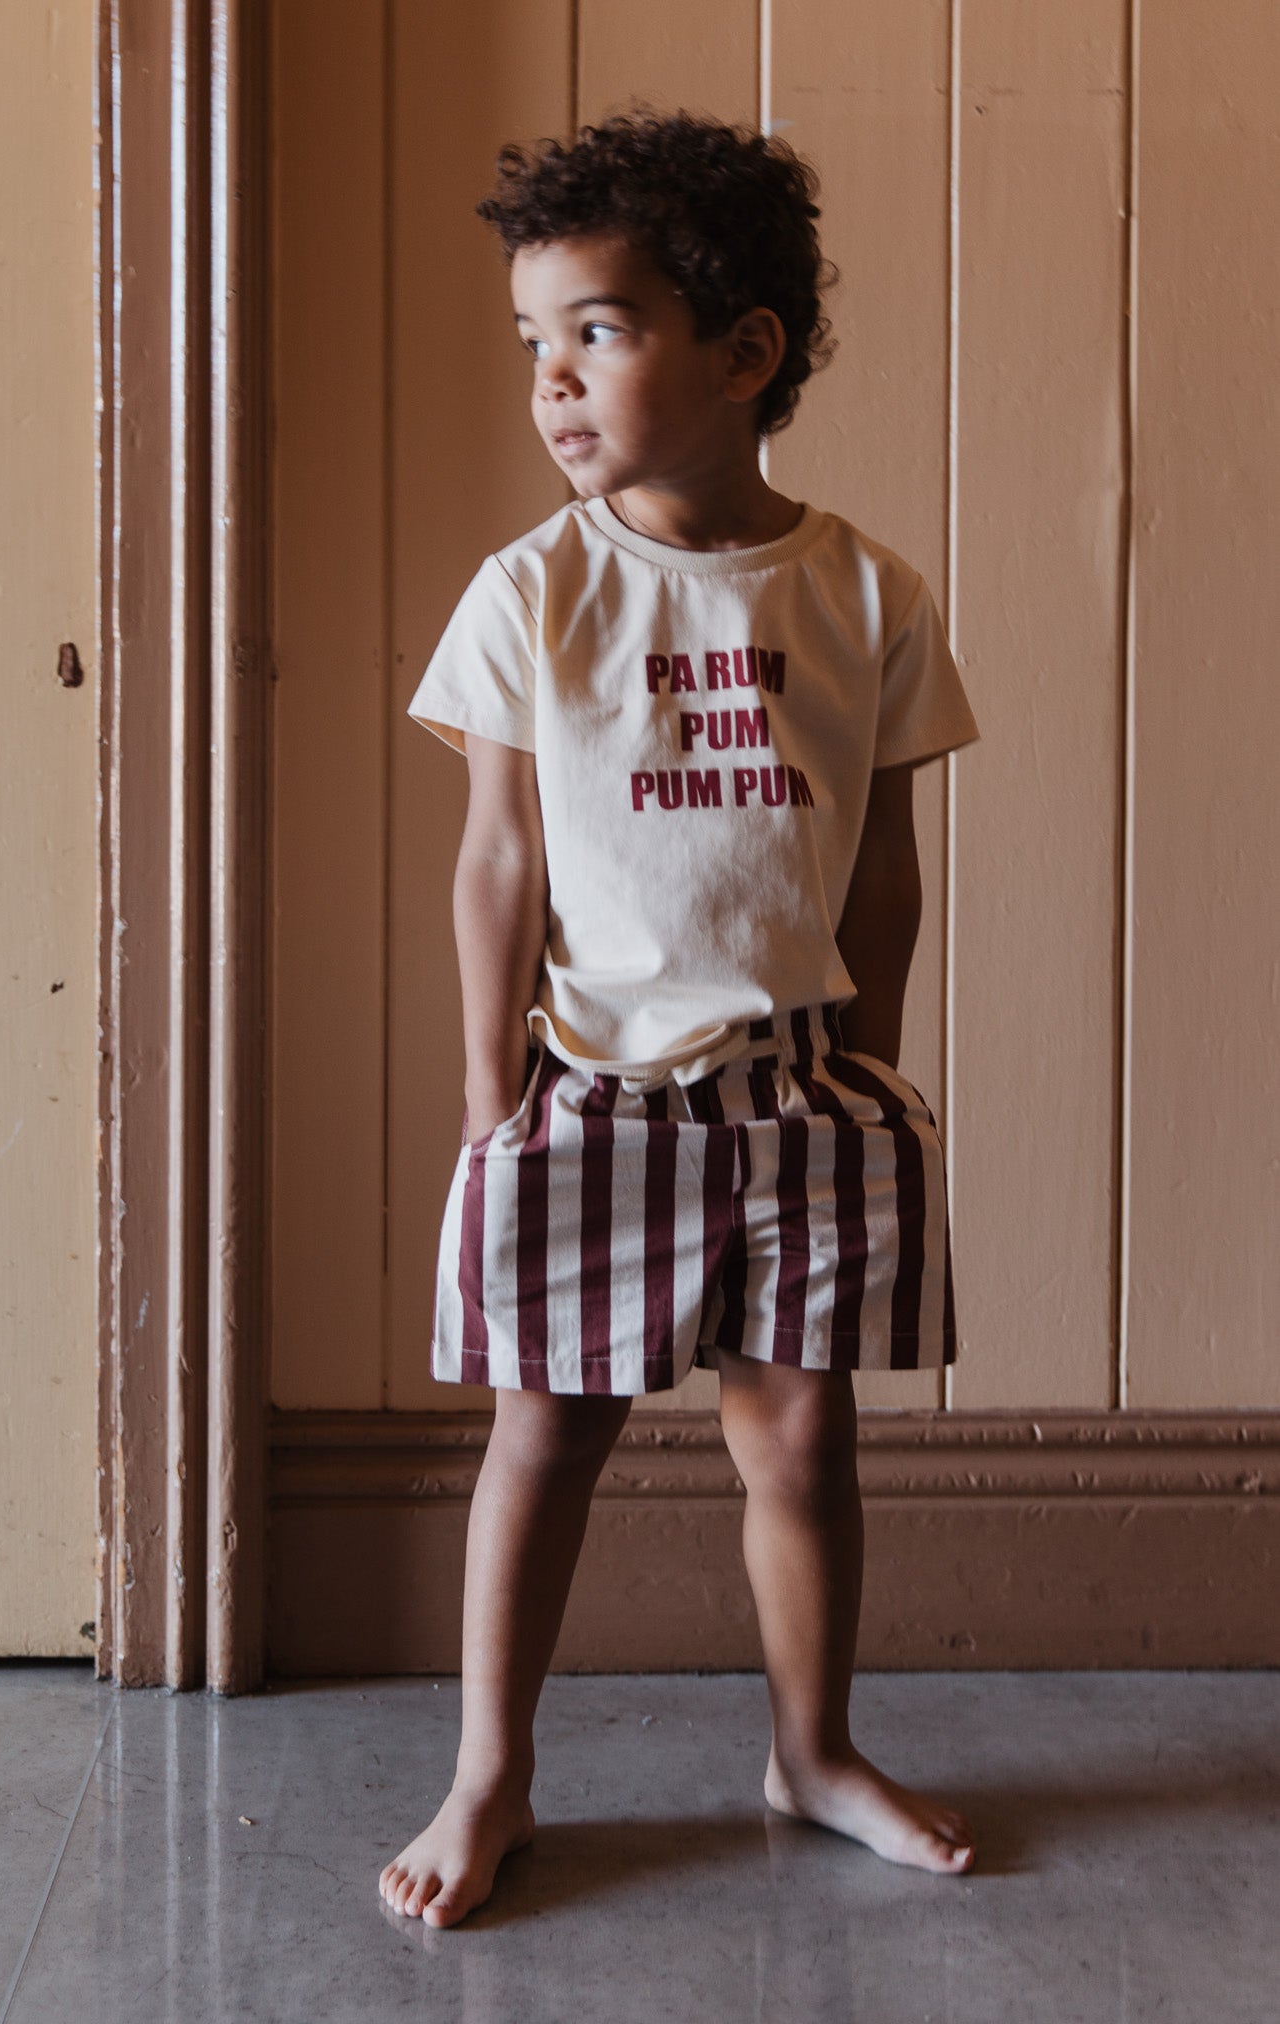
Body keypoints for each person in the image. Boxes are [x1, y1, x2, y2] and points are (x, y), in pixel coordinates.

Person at [379, 110, 981, 1930]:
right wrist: (489, 1092)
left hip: (798, 1091)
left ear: (742, 352)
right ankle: (489, 1776)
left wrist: (869, 1055)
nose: (552, 381)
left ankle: (811, 1752)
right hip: (589, 1089)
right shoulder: (535, 589)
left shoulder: (863, 590)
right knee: (545, 1435)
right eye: (532, 342)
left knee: (799, 1438)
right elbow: (498, 862)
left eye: (600, 330)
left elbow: (882, 862)